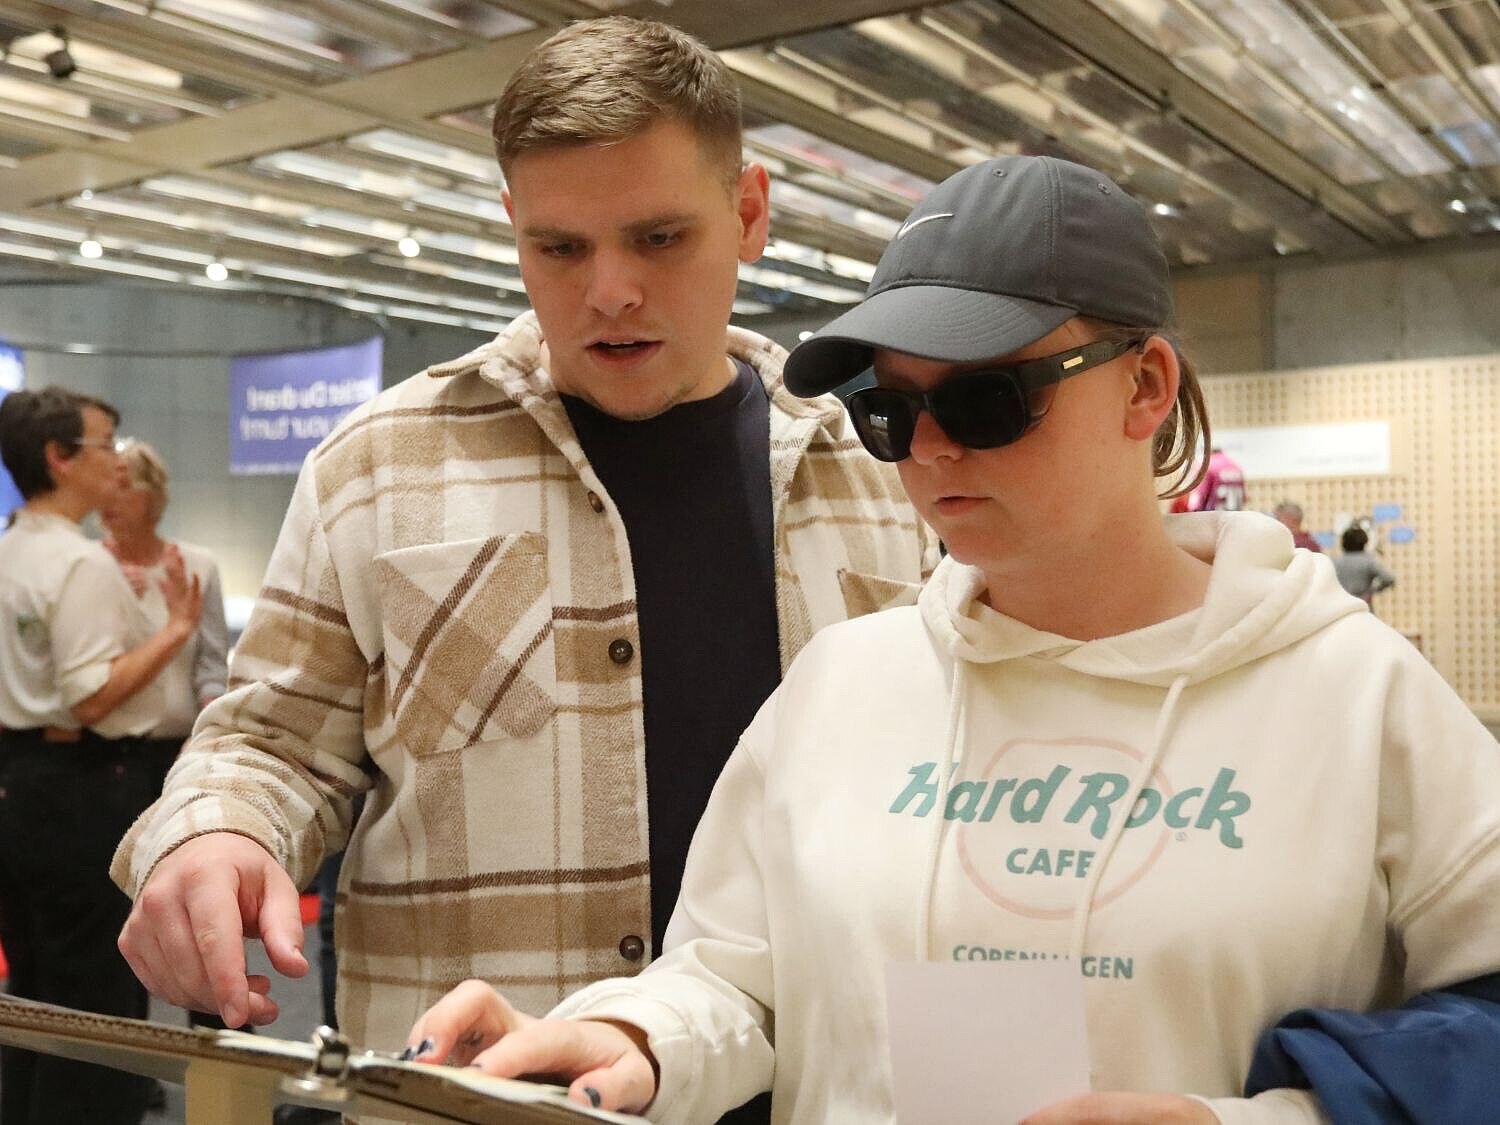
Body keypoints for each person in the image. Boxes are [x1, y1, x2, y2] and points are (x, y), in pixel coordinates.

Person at [404, 156, 1500, 1124]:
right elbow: (736, 980)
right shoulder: (844, 684)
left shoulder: (1356, 698)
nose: (927, 451)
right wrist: (639, 1039)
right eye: (889, 410)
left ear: (1146, 388)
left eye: (985, 401)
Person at [110, 19, 936, 1120]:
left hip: (816, 1092)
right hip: (472, 1097)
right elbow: (271, 742)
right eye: (561, 248)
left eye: (657, 238)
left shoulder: (877, 478)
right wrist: (215, 829)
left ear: (749, 214)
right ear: (512, 228)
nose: (610, 291)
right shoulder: (377, 467)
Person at [0, 387, 202, 1125]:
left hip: (18, 783)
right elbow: (89, 697)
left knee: (32, 993)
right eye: (105, 443)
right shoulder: (80, 564)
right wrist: (176, 629)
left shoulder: (10, 546)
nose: (117, 459)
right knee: (95, 1008)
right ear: (59, 458)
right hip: (79, 786)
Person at [101, 438, 229, 797]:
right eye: (105, 486)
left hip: (184, 748)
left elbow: (212, 665)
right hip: (107, 753)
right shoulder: (87, 568)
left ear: (151, 496)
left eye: (124, 487)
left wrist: (208, 734)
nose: (109, 498)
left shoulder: (197, 566)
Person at [1332, 525, 1395, 605]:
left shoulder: (1335, 562)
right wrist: (1373, 590)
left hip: (1341, 607)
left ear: (1343, 543)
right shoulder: (1368, 562)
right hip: (1363, 607)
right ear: (1364, 542)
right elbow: (1389, 578)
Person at [1186, 445, 1246, 511]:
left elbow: (1198, 498)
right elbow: (1244, 496)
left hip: (1214, 516)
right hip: (1235, 515)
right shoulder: (1236, 466)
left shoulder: (1208, 466)